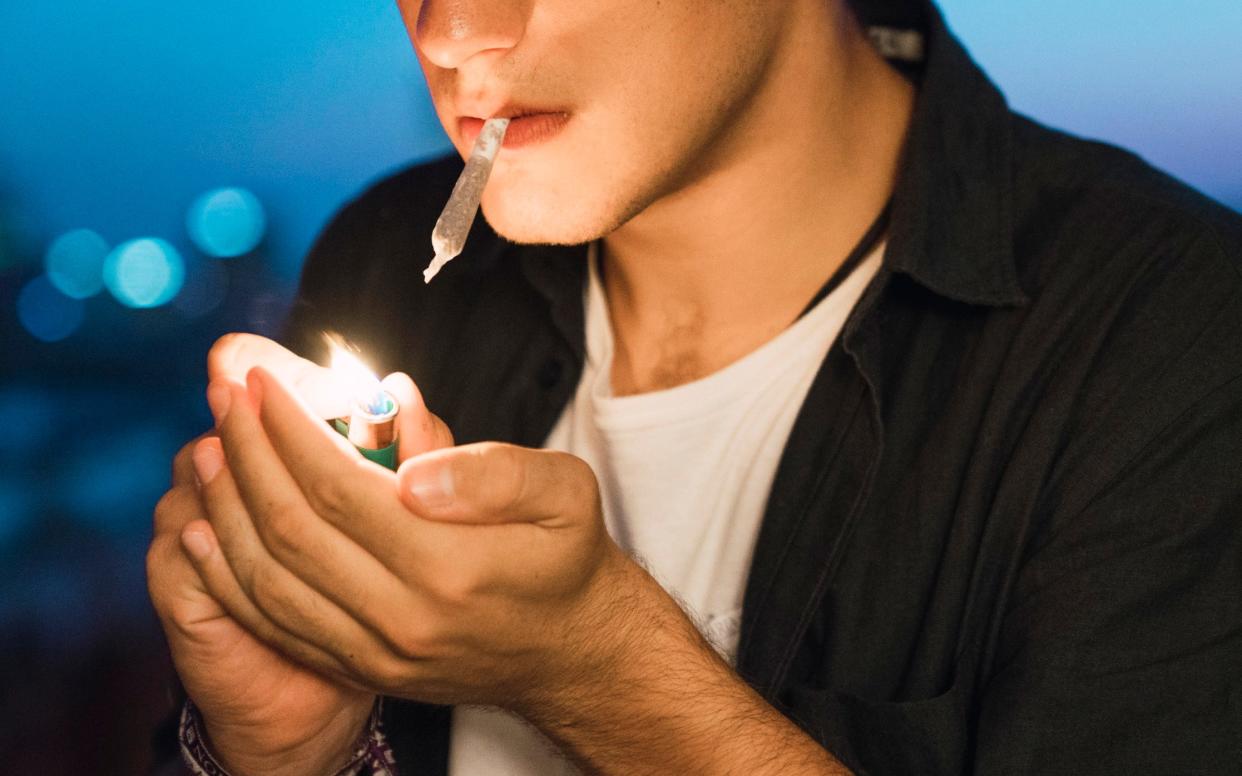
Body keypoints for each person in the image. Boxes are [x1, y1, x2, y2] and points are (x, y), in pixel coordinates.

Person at [146, 0, 1242, 773]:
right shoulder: (388, 262)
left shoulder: (1170, 336)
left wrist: (601, 669)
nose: (451, 29)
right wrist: (283, 749)